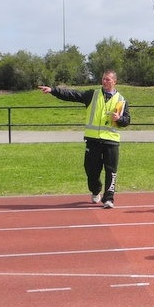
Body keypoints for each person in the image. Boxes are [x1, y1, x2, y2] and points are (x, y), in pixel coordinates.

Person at [39, 70, 130, 209]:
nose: (105, 82)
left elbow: (127, 120)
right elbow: (72, 95)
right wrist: (53, 90)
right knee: (91, 170)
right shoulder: (92, 95)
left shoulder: (121, 100)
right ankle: (95, 190)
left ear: (114, 81)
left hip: (111, 142)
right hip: (93, 141)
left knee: (111, 171)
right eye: (103, 79)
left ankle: (109, 199)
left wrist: (120, 119)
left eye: (108, 80)